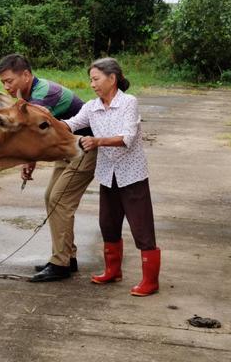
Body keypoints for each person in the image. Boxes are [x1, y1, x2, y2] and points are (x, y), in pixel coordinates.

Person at [62, 57, 160, 296]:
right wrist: (46, 122)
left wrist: (97, 141)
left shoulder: (128, 103)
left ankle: (150, 281)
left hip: (132, 175)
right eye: (90, 80)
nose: (92, 84)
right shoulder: (91, 107)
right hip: (107, 175)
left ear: (112, 78)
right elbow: (71, 124)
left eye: (96, 79)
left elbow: (127, 137)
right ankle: (113, 271)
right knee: (108, 224)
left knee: (142, 228)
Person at [0, 54, 97, 282]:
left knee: (60, 199)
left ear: (26, 75)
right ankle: (67, 257)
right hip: (65, 148)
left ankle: (60, 264)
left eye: (9, 81)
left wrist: (28, 160)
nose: (6, 86)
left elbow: (32, 129)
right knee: (51, 197)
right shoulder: (27, 95)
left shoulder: (43, 94)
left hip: (85, 147)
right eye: (3, 82)